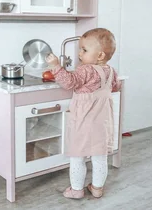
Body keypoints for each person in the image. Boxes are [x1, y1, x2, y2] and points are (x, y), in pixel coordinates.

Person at [45, 28, 121, 199]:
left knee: (77, 156)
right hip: (103, 122)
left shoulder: (85, 70)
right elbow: (116, 86)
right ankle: (97, 188)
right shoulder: (111, 71)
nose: (79, 53)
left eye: (84, 50)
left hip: (84, 122)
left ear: (100, 55)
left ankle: (77, 189)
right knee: (100, 156)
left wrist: (56, 66)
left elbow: (69, 83)